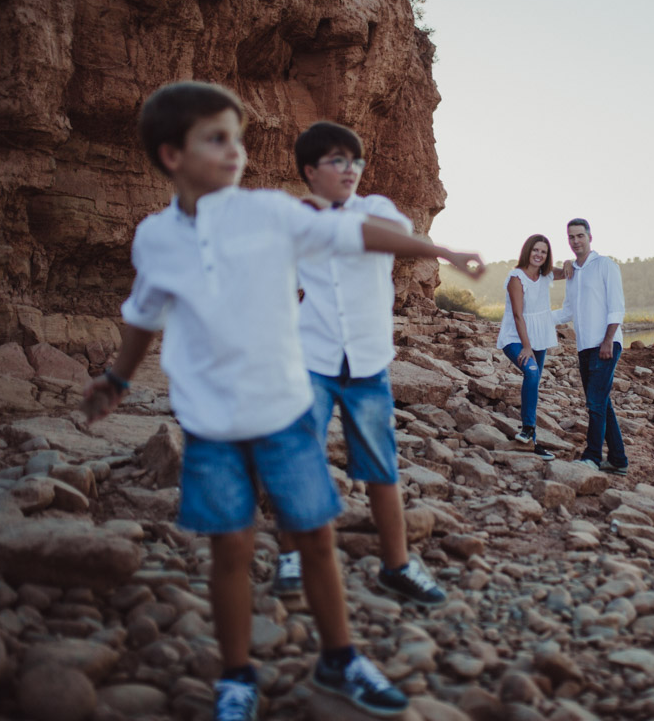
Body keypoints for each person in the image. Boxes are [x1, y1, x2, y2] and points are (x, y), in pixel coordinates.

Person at [81, 82, 483, 721]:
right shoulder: (154, 238)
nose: (234, 151)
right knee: (231, 549)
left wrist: (444, 252)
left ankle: (340, 656)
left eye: (236, 138)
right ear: (171, 155)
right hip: (210, 425)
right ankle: (237, 675)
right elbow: (143, 313)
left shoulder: (270, 213)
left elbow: (360, 237)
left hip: (285, 416)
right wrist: (118, 380)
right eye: (216, 139)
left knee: (316, 538)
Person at [270, 121, 453, 607]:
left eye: (355, 160)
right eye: (336, 161)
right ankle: (290, 558)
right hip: (313, 359)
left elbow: (388, 237)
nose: (350, 169)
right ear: (310, 170)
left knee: (380, 470)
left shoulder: (376, 208)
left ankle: (396, 568)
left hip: (368, 364)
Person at [552, 218, 629, 475]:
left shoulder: (606, 266)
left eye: (580, 236)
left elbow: (617, 307)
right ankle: (618, 460)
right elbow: (567, 311)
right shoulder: (573, 272)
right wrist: (536, 319)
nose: (576, 241)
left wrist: (608, 340)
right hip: (584, 347)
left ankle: (592, 457)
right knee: (601, 402)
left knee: (595, 403)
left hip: (605, 344)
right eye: (571, 237)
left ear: (590, 237)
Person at [495, 234, 564, 460]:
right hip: (516, 337)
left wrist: (573, 264)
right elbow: (517, 314)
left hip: (539, 336)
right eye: (536, 250)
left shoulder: (546, 275)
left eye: (543, 252)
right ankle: (527, 429)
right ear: (528, 251)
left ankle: (531, 443)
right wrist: (526, 347)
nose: (539, 255)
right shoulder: (516, 277)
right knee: (532, 372)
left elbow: (569, 272)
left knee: (534, 382)